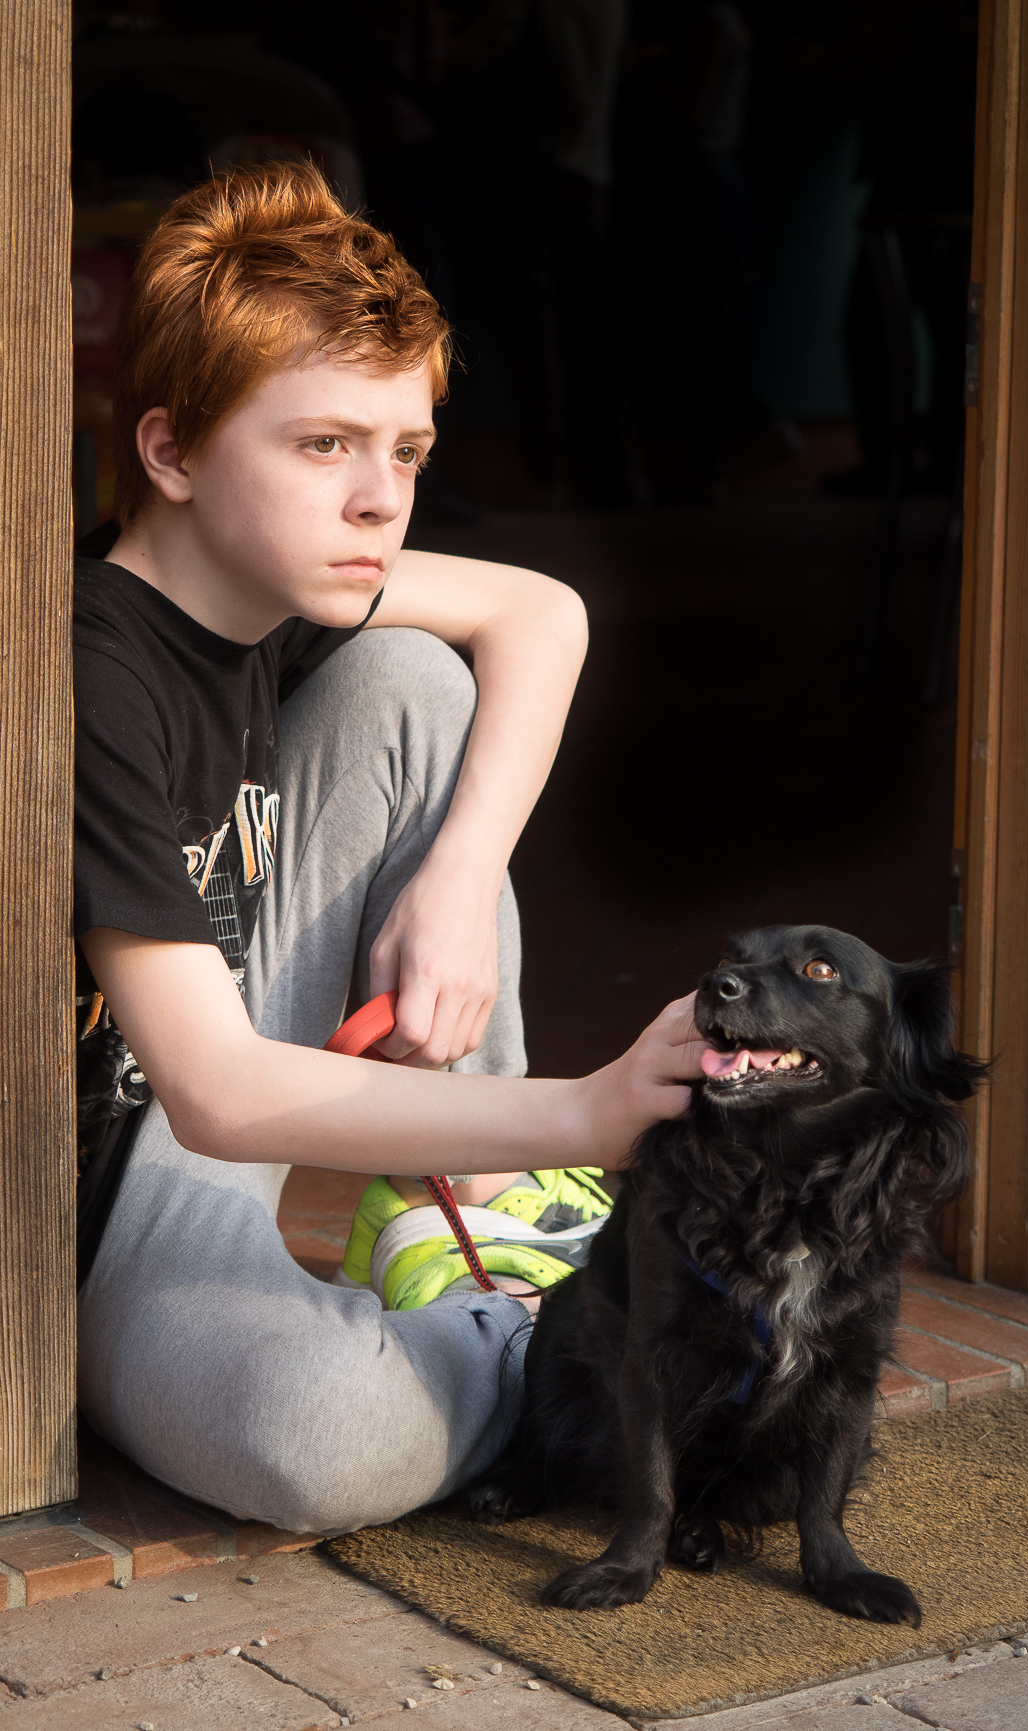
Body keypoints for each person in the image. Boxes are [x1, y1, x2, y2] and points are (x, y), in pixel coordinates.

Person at [74, 161, 703, 1537]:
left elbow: (541, 612)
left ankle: (477, 1225)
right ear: (171, 453)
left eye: (405, 451)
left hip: (216, 1097)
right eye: (321, 446)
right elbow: (220, 1096)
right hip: (94, 1202)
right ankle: (560, 1356)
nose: (379, 499)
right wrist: (593, 1111)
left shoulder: (268, 578)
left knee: (414, 677)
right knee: (314, 1440)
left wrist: (459, 881)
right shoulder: (86, 672)